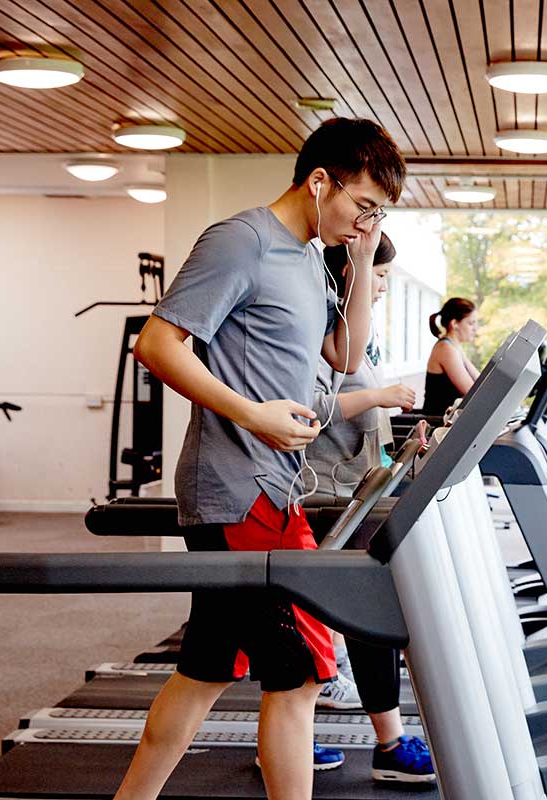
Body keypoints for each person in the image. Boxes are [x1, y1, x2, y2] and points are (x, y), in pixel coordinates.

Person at [117, 117, 405, 800]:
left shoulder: (310, 257)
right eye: (363, 206)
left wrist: (364, 255)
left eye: (378, 213)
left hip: (272, 486)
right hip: (238, 487)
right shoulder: (242, 241)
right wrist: (250, 413)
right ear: (319, 182)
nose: (366, 221)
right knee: (300, 674)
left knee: (208, 667)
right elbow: (156, 345)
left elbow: (346, 356)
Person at [306, 233, 436, 783]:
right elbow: (307, 408)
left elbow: (362, 413)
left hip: (359, 490)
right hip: (324, 494)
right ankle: (374, 742)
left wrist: (403, 438)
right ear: (349, 274)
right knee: (349, 619)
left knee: (364, 619)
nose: (383, 286)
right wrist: (379, 397)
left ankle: (386, 741)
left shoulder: (358, 331)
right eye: (378, 275)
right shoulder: (314, 326)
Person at [421, 297, 479, 416]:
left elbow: (479, 381)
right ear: (454, 324)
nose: (475, 329)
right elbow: (471, 392)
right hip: (437, 422)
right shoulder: (446, 349)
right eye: (471, 323)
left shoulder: (455, 347)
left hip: (450, 419)